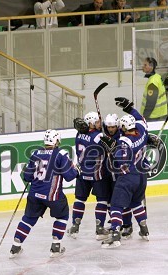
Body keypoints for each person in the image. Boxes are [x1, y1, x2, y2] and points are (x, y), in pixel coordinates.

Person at [9, 129, 78, 259]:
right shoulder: (61, 154)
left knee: (28, 218)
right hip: (53, 195)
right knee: (62, 216)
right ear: (57, 141)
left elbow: (27, 176)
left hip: (34, 194)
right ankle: (56, 247)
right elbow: (69, 176)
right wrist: (76, 171)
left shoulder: (35, 153)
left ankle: (15, 246)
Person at [101, 97, 149, 248]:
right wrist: (129, 108)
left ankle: (115, 234)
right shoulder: (142, 130)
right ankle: (144, 229)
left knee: (116, 205)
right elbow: (140, 118)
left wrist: (112, 148)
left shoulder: (124, 141)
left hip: (128, 177)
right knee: (136, 202)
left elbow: (121, 161)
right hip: (142, 176)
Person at [68, 112, 113, 241]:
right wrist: (107, 136)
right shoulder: (99, 136)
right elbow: (113, 146)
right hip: (97, 173)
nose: (100, 124)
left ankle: (75, 227)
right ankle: (99, 229)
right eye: (97, 122)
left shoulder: (79, 134)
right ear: (91, 123)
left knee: (79, 199)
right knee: (102, 200)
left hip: (82, 172)